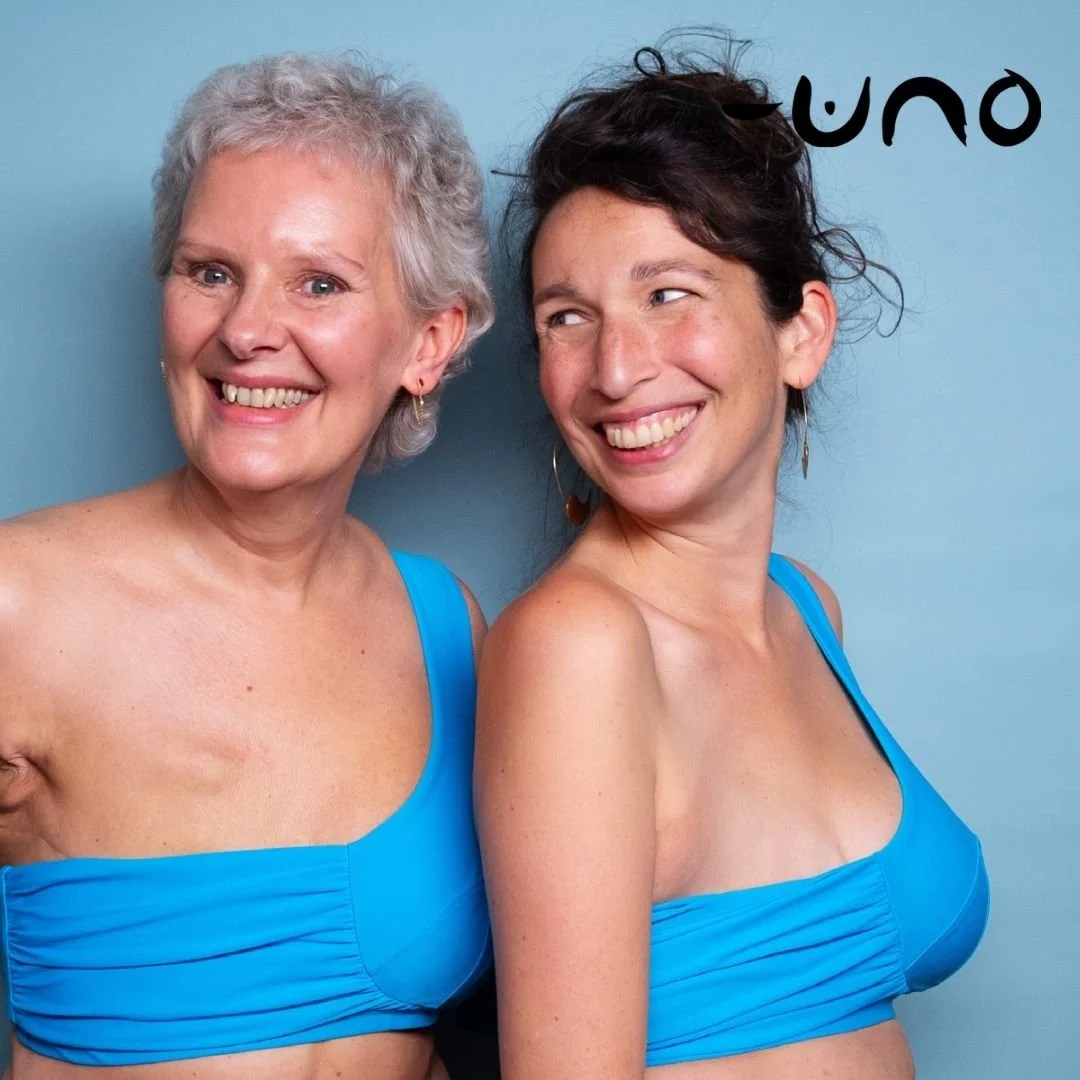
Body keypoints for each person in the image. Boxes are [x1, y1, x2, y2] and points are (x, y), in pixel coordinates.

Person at [477, 33, 989, 1080]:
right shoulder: (578, 647)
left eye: (669, 294)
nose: (616, 370)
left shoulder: (807, 610)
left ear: (801, 331)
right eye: (568, 318)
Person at [0, 52, 493, 1080]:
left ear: (429, 343)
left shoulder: (446, 624)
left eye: (319, 282)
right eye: (209, 271)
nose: (246, 331)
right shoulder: (21, 604)